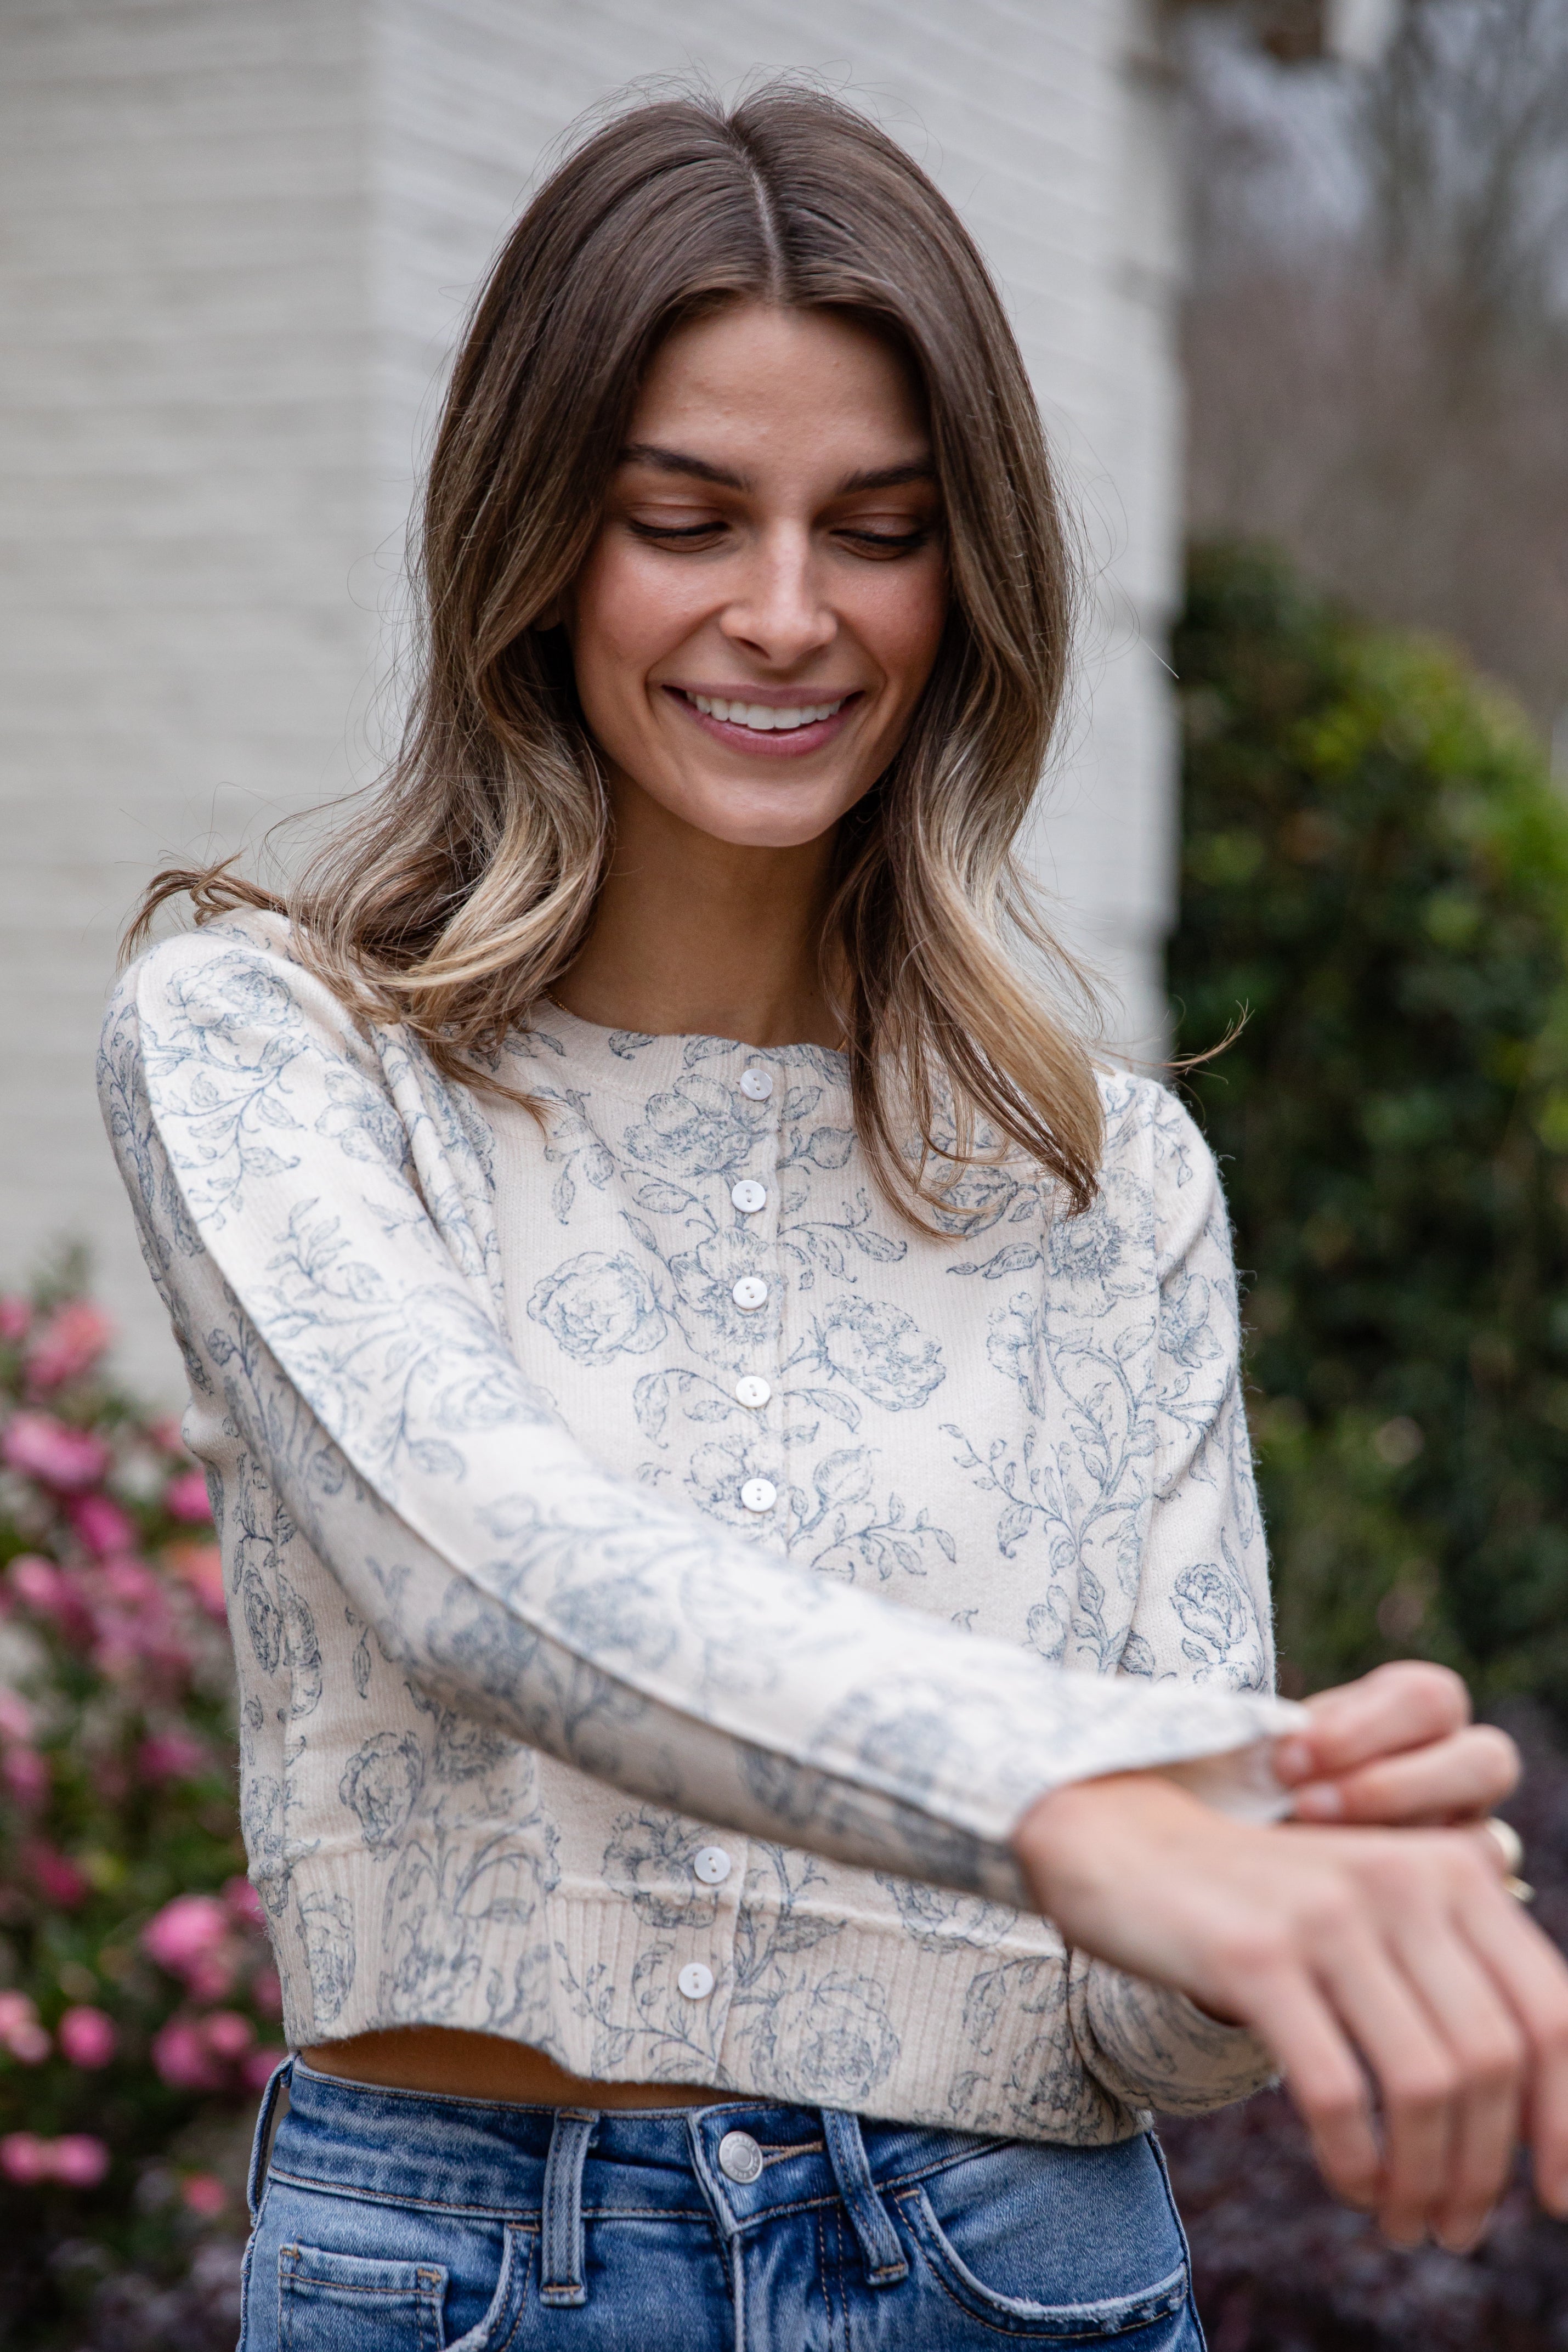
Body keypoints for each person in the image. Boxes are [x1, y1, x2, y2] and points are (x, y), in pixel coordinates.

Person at [102, 84, 1568, 2352]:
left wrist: (1271, 1872)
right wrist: (1094, 1797)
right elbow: (485, 1566)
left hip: (1025, 2272)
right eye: (684, 517)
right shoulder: (275, 1054)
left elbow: (1133, 2026)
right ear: (533, 539)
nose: (785, 616)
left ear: (963, 570)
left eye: (876, 529)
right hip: (471, 2273)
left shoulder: (1100, 1167)